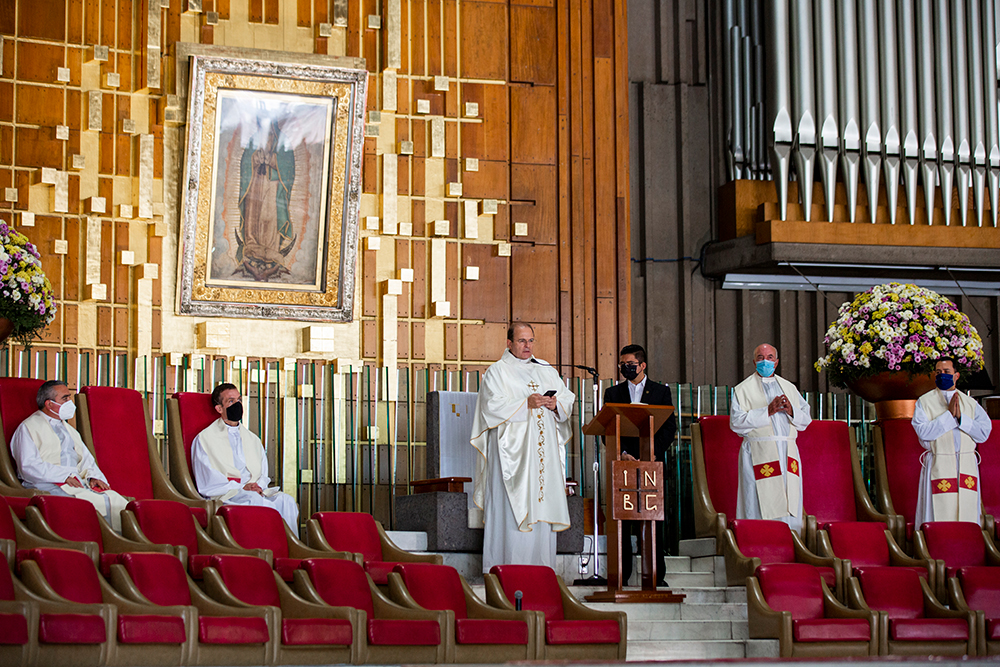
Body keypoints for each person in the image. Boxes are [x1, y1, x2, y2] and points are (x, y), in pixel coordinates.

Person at [471, 322, 575, 572]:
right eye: (521, 341)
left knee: (541, 504)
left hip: (542, 455)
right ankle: (506, 569)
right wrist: (524, 403)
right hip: (512, 455)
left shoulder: (546, 370)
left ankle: (541, 570)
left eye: (531, 341)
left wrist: (555, 404)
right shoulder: (497, 372)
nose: (527, 346)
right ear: (509, 343)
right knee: (511, 508)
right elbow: (491, 407)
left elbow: (567, 398)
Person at [10, 380, 129, 531]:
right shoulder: (28, 427)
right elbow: (28, 465)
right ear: (49, 404)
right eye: (65, 398)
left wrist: (93, 477)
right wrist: (64, 476)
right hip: (46, 483)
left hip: (77, 482)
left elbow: (86, 459)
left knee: (116, 500)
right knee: (88, 504)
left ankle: (119, 544)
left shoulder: (69, 430)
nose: (70, 402)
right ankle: (94, 543)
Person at [603, 344, 676, 587]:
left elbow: (669, 428)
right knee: (622, 520)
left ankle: (655, 575)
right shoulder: (613, 393)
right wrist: (622, 453)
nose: (626, 368)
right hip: (623, 463)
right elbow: (606, 428)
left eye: (630, 365)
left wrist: (652, 453)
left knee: (652, 518)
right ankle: (621, 574)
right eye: (622, 365)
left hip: (651, 464)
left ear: (642, 365)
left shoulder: (660, 392)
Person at [191, 383, 299, 531]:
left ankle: (288, 549)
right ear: (219, 409)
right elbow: (208, 480)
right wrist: (243, 487)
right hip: (228, 495)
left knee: (286, 500)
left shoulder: (252, 439)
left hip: (255, 491)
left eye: (239, 400)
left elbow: (263, 472)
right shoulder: (205, 439)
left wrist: (258, 486)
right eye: (231, 401)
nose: (238, 405)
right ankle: (260, 546)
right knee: (253, 499)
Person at [730, 343, 812, 534]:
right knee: (757, 501)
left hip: (788, 453)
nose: (765, 361)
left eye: (769, 357)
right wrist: (767, 410)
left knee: (789, 500)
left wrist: (791, 411)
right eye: (760, 357)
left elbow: (805, 419)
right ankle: (757, 544)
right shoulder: (743, 389)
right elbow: (736, 423)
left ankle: (790, 547)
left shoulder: (789, 388)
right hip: (758, 453)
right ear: (753, 362)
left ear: (776, 362)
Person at [911, 357, 992, 527]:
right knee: (936, 512)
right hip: (938, 463)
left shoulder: (970, 403)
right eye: (938, 372)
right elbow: (923, 432)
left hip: (966, 463)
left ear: (956, 375)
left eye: (947, 372)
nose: (942, 376)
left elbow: (984, 433)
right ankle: (934, 548)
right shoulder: (924, 402)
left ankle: (965, 551)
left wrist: (962, 419)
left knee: (967, 512)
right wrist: (948, 416)